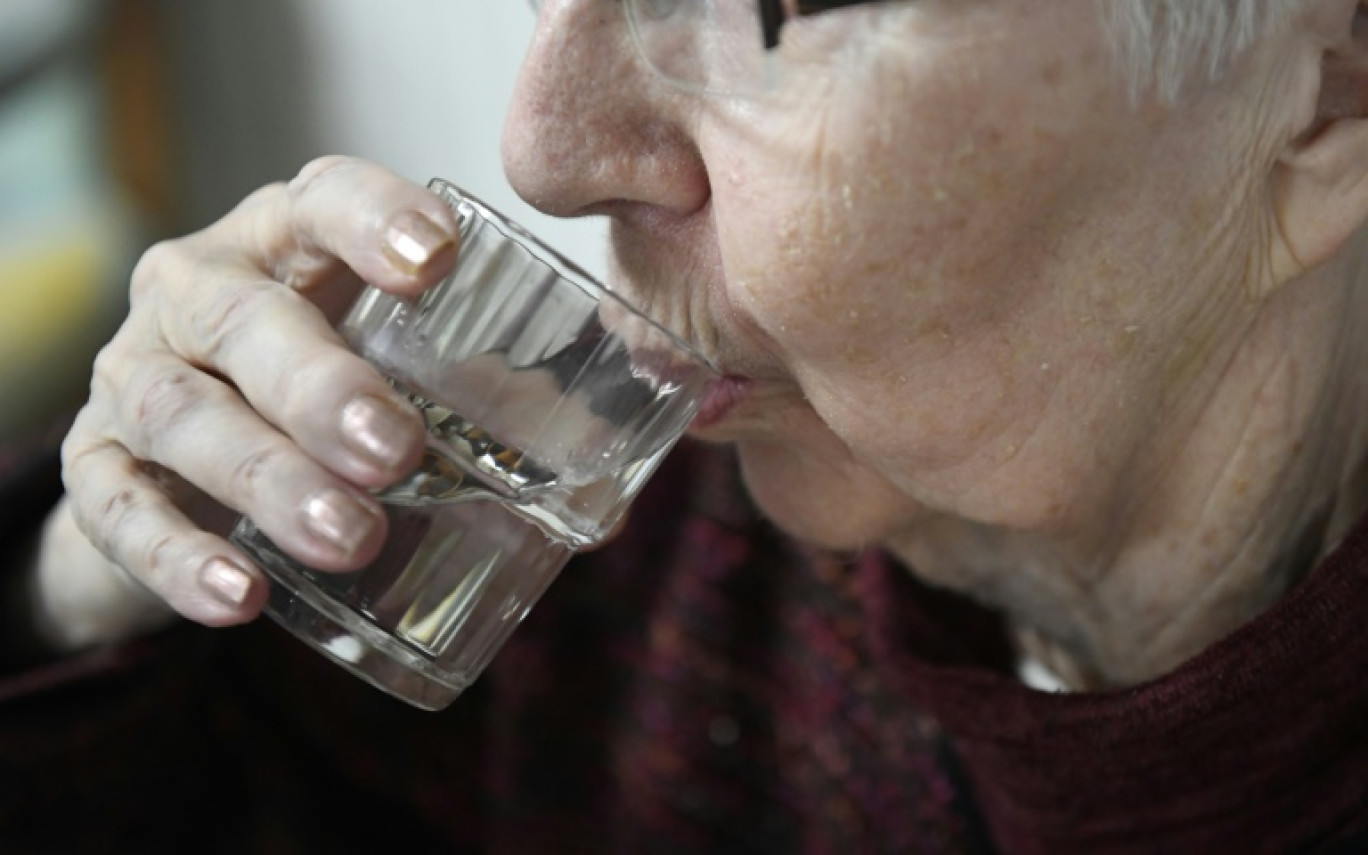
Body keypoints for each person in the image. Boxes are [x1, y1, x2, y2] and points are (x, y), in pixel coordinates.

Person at [5, 0, 1368, 851]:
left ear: (1335, 81)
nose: (545, 149)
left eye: (761, 11)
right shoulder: (592, 554)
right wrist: (92, 590)